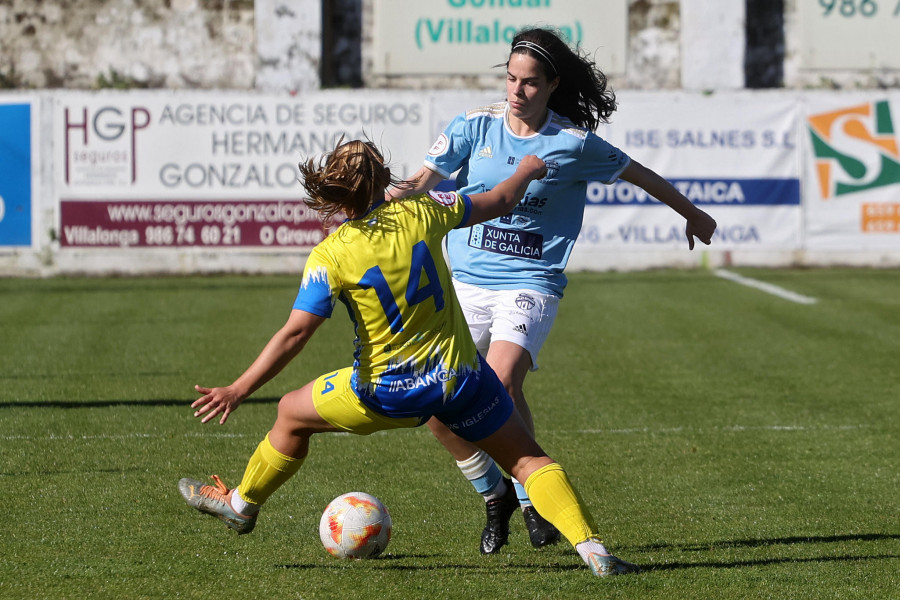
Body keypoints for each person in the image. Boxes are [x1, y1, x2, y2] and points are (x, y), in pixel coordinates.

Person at [177, 138, 640, 577]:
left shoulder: (329, 255)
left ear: (337, 195)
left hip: (383, 395)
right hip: (459, 381)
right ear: (382, 180)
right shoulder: (423, 210)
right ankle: (594, 549)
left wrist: (238, 389)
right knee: (527, 461)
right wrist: (526, 170)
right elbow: (500, 201)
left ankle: (241, 507)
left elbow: (296, 332)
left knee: (290, 413)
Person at [389, 27, 718, 555]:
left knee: (500, 382)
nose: (517, 91)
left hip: (530, 282)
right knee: (434, 402)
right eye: (512, 78)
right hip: (468, 282)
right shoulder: (473, 127)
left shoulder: (573, 143)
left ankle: (529, 495)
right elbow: (419, 183)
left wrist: (693, 213)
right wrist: (374, 204)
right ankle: (493, 493)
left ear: (552, 85)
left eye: (530, 82)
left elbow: (642, 175)